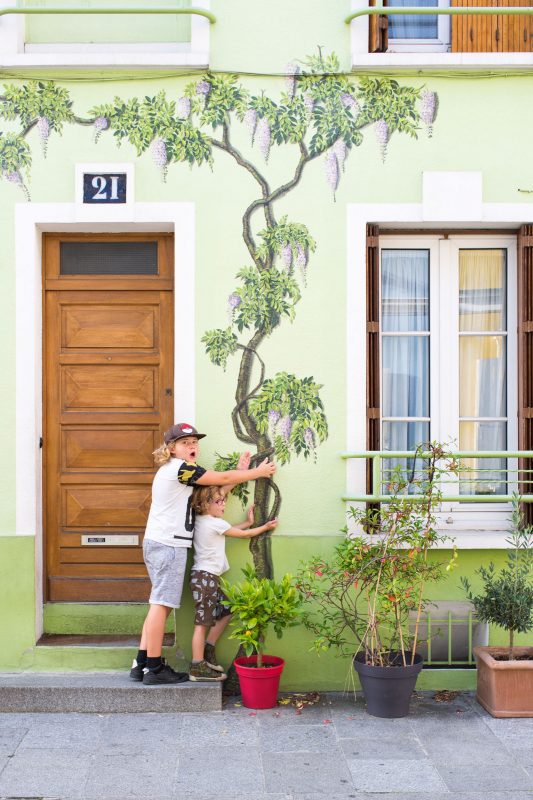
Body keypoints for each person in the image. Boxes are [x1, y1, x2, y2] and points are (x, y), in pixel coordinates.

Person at [129, 422, 276, 685]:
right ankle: (154, 668)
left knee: (158, 603)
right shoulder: (181, 469)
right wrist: (257, 472)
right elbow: (220, 479)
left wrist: (240, 472)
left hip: (162, 543)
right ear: (172, 448)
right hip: (168, 545)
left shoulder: (179, 473)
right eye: (186, 443)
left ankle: (141, 664)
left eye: (195, 442)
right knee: (161, 605)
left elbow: (212, 494)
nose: (193, 446)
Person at [188, 485, 278, 681]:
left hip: (206, 578)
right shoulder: (212, 522)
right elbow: (242, 535)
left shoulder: (207, 522)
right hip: (205, 578)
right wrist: (264, 527)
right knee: (202, 623)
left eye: (224, 500)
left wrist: (247, 522)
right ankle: (197, 665)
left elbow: (230, 530)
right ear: (204, 504)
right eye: (219, 501)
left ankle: (208, 649)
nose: (223, 504)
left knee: (227, 611)